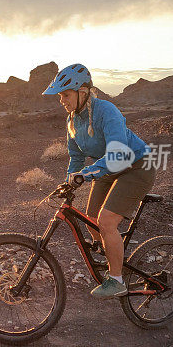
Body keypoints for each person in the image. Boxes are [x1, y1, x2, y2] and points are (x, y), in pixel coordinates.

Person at [43, 63, 156, 298]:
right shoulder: (72, 121)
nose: (61, 100)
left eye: (65, 95)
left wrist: (86, 174)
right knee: (90, 219)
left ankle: (117, 280)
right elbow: (76, 158)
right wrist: (68, 181)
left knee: (105, 222)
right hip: (106, 168)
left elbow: (117, 153)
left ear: (82, 92)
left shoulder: (107, 111)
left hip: (136, 166)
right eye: (60, 96)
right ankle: (115, 257)